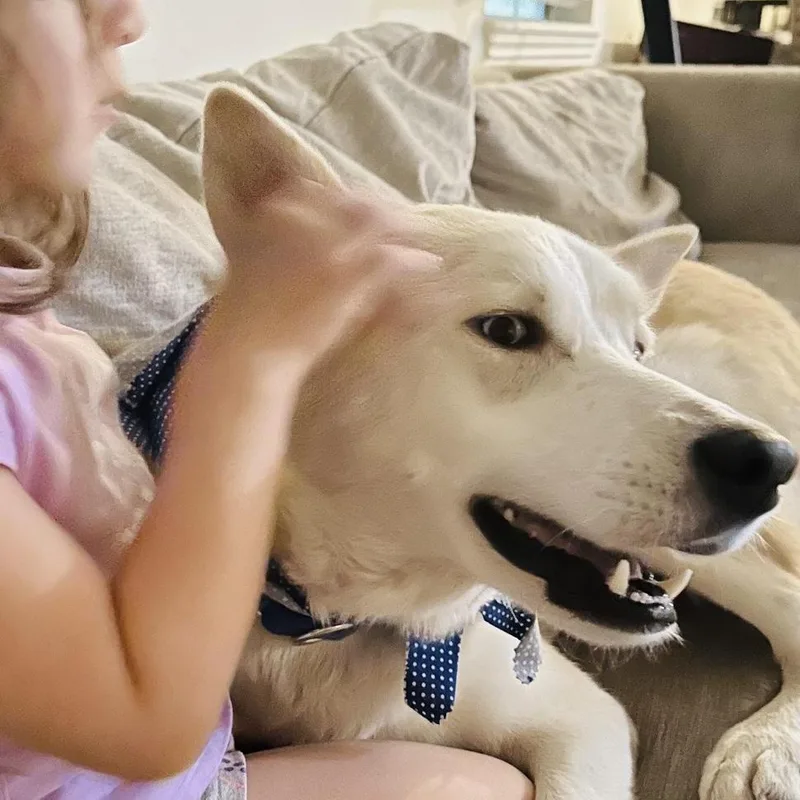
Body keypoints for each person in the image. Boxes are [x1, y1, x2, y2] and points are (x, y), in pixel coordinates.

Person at [0, 1, 536, 798]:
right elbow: (143, 721)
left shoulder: (26, 322)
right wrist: (251, 356)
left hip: (187, 765)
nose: (124, 17)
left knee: (485, 783)